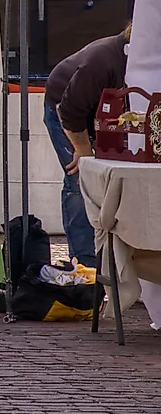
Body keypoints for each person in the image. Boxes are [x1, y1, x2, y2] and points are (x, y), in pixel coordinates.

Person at [44, 27, 129, 268]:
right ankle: (85, 260)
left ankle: (120, 257)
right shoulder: (104, 60)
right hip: (65, 108)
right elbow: (70, 111)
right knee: (80, 177)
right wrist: (83, 150)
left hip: (104, 114)